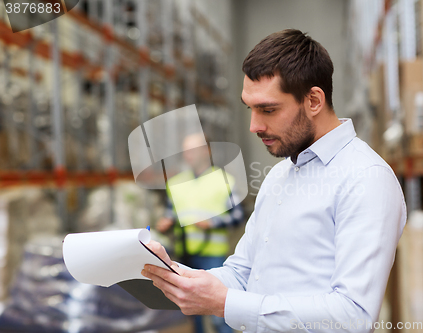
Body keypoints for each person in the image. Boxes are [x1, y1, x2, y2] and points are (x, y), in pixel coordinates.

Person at [143, 29, 406, 333]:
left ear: (314, 100)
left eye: (268, 110)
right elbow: (242, 273)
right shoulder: (280, 175)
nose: (255, 126)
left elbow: (352, 316)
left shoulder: (366, 179)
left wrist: (225, 303)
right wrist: (176, 276)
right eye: (250, 109)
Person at [156, 133, 244, 333]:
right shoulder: (176, 183)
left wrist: (212, 223)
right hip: (185, 255)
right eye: (186, 151)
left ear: (206, 151)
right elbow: (172, 213)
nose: (188, 155)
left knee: (219, 311)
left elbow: (238, 216)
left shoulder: (224, 180)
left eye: (193, 150)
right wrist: (166, 223)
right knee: (190, 309)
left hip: (213, 256)